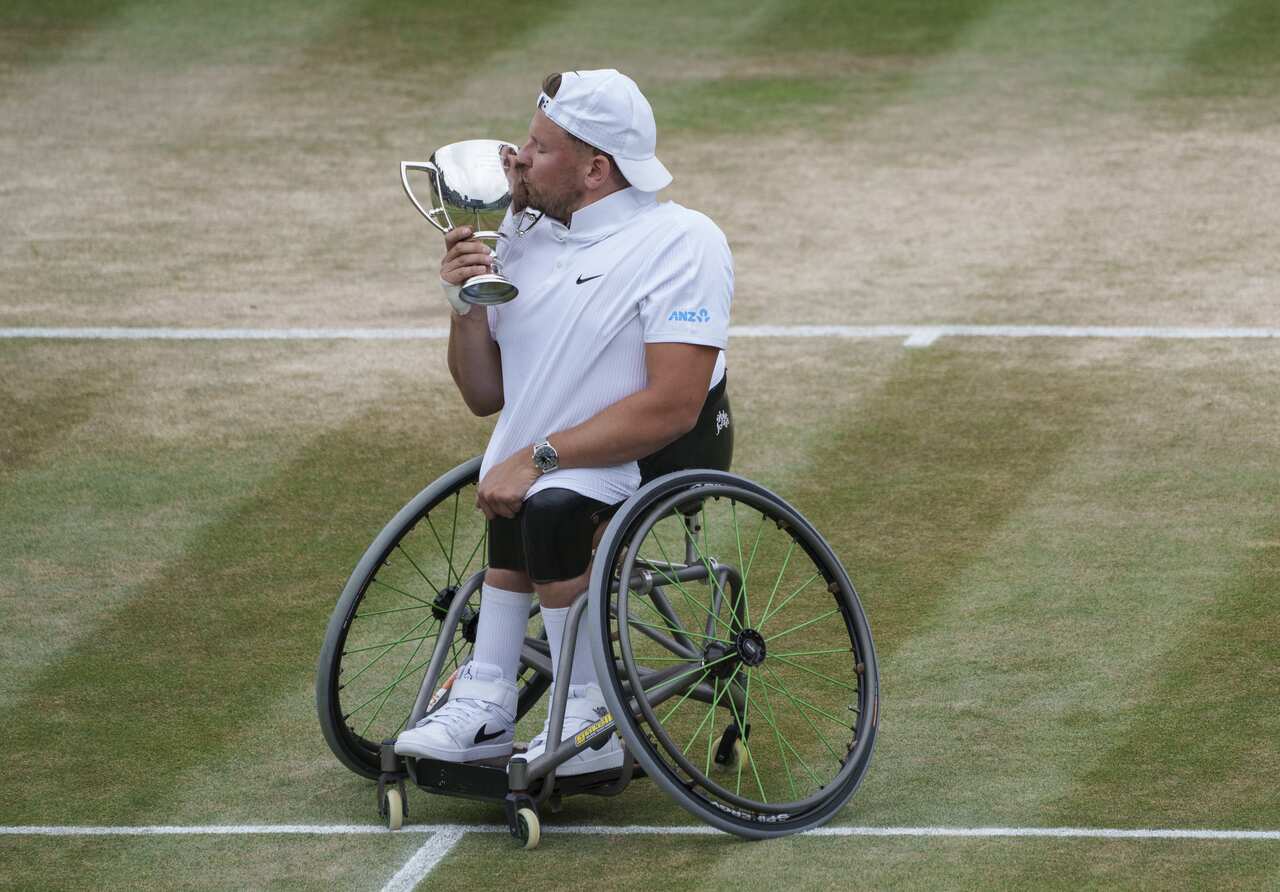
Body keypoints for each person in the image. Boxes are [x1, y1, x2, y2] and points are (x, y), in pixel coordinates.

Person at [395, 69, 733, 776]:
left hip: (661, 451)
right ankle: (486, 698)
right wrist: (463, 303)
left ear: (595, 169)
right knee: (513, 488)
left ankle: (591, 715)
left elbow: (673, 405)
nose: (515, 160)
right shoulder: (517, 235)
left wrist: (540, 456)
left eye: (539, 148)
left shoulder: (683, 242)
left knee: (544, 505)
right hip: (551, 456)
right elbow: (484, 394)